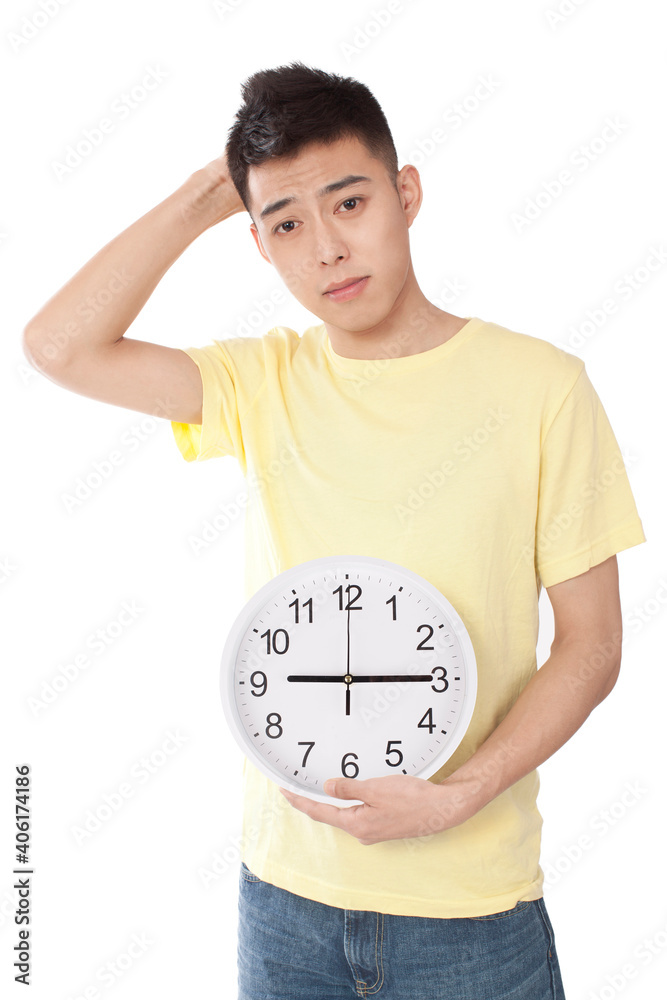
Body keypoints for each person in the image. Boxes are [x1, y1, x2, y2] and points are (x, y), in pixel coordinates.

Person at [22, 61, 645, 999]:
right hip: (285, 901)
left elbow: (593, 644)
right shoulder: (259, 383)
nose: (325, 249)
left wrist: (461, 794)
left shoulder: (541, 387)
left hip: (471, 916)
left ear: (406, 194)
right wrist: (209, 192)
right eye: (285, 224)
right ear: (258, 246)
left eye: (349, 203)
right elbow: (59, 345)